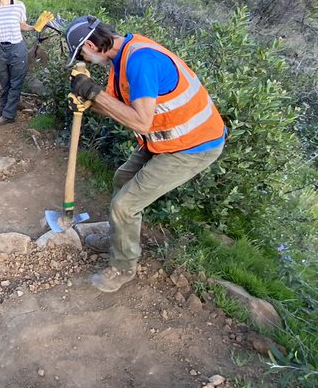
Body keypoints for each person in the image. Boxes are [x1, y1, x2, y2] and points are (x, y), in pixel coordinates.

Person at [65, 16, 227, 293]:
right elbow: (121, 110)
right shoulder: (122, 58)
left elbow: (140, 122)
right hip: (165, 140)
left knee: (124, 205)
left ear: (91, 45)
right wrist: (89, 104)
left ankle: (123, 268)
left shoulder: (140, 62)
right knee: (123, 177)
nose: (86, 61)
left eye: (82, 55)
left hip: (193, 146)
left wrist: (93, 92)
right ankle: (119, 236)